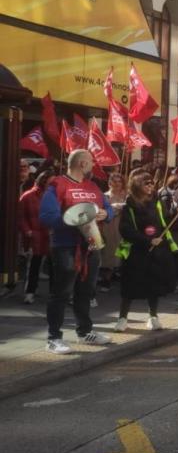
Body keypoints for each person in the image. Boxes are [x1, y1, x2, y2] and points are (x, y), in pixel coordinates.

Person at [38, 150, 114, 354]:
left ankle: (85, 331)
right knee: (61, 292)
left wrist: (107, 213)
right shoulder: (57, 185)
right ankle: (53, 338)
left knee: (86, 291)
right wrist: (73, 221)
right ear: (82, 163)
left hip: (91, 245)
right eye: (90, 162)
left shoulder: (93, 186)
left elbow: (107, 208)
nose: (92, 165)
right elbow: (47, 215)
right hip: (65, 245)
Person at [114, 171, 178, 332]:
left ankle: (153, 317)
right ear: (137, 185)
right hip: (136, 251)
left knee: (154, 285)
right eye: (146, 183)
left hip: (156, 251)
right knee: (130, 286)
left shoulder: (156, 201)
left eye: (151, 183)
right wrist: (147, 240)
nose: (151, 186)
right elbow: (125, 229)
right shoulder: (130, 203)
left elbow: (164, 219)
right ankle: (122, 318)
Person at [18, 171, 53, 304]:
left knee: (53, 266)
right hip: (35, 235)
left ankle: (54, 293)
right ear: (43, 181)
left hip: (51, 235)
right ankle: (30, 291)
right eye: (50, 181)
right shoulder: (28, 196)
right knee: (34, 265)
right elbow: (21, 217)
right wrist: (28, 231)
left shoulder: (55, 195)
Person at [98, 172, 128, 292]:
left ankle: (122, 276)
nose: (116, 184)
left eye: (119, 181)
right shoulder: (104, 196)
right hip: (109, 228)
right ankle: (106, 280)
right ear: (109, 182)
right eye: (114, 181)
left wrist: (122, 206)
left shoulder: (127, 196)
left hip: (123, 229)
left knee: (124, 253)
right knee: (109, 255)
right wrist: (114, 207)